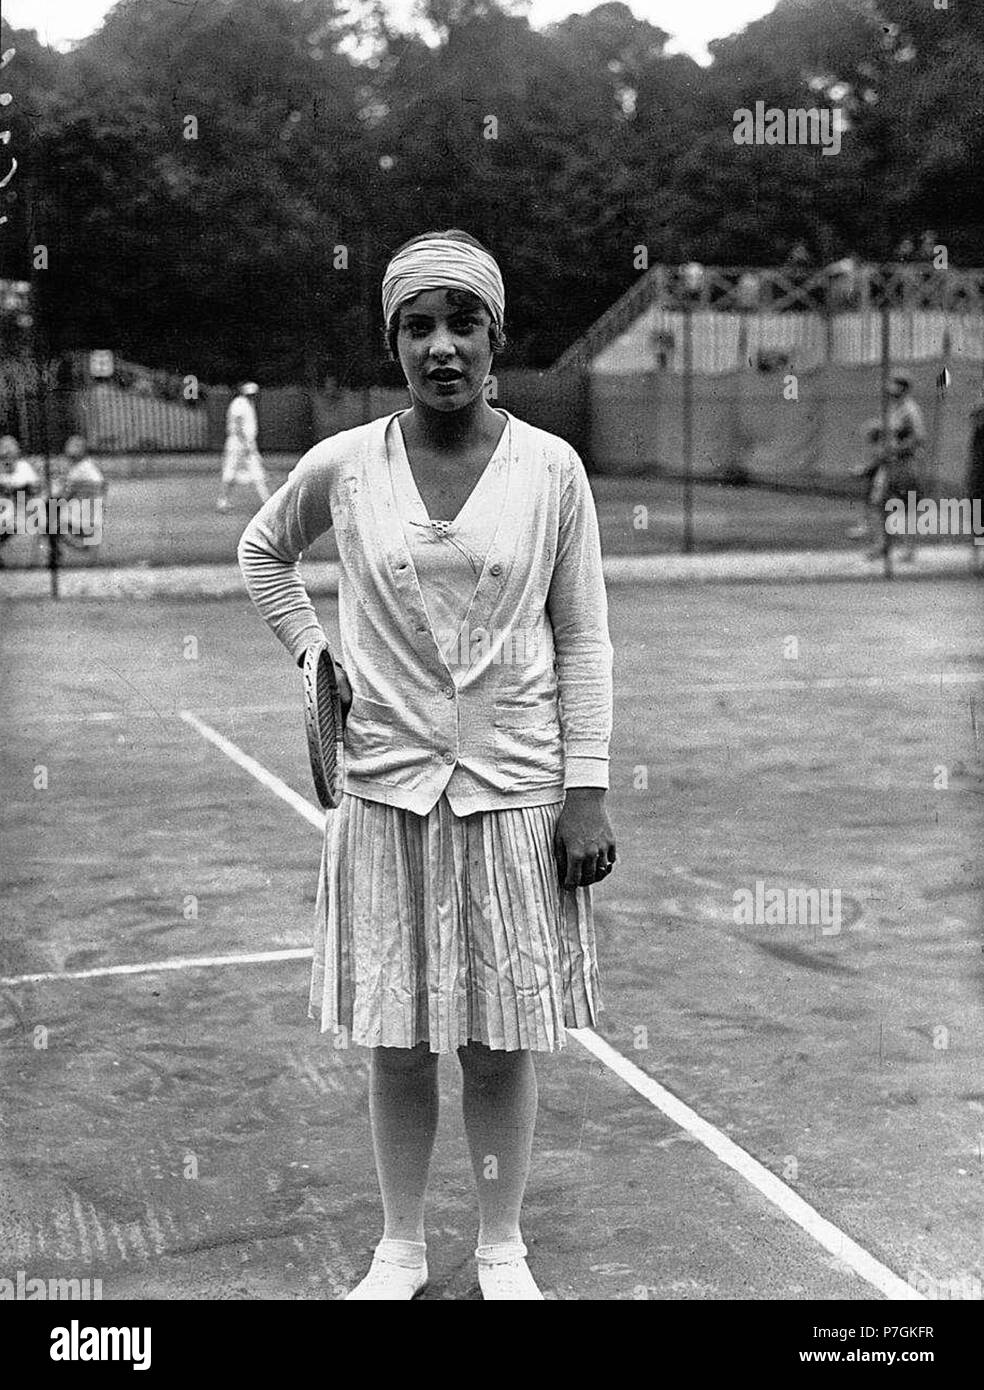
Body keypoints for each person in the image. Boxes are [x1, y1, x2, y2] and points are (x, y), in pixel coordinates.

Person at [238, 229, 616, 1301]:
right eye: (420, 325)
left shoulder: (553, 469)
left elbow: (584, 635)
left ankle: (503, 1246)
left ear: (499, 336)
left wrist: (584, 787)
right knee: (397, 1039)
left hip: (516, 795)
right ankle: (399, 1247)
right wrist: (315, 653)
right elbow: (264, 551)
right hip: (384, 787)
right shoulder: (347, 464)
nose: (442, 346)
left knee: (500, 1039)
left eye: (465, 322)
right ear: (393, 339)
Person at [217, 381, 270, 510]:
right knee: (233, 470)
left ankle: (267, 501)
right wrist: (246, 444)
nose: (253, 396)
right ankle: (222, 501)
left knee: (255, 471)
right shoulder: (240, 403)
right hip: (238, 443)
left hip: (245, 442)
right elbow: (239, 424)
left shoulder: (247, 404)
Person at [0, 435, 42, 564]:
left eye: (10, 451)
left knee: (10, 521)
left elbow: (33, 486)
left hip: (21, 508)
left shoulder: (24, 467)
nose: (7, 455)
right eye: (4, 452)